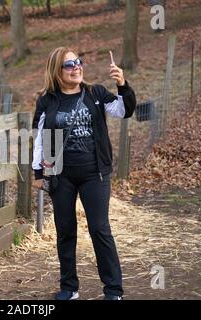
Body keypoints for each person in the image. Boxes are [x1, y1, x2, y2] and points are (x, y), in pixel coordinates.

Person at [31, 47, 136, 300]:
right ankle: (69, 287)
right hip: (60, 175)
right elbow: (39, 140)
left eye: (78, 62)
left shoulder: (95, 93)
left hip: (94, 174)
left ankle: (113, 290)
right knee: (65, 230)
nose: (76, 67)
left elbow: (125, 111)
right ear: (57, 70)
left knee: (100, 229)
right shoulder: (47, 100)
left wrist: (122, 85)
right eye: (69, 65)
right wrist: (38, 173)